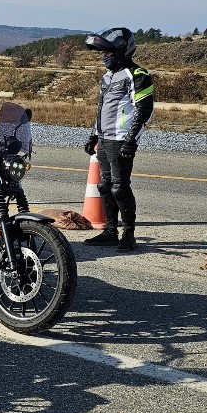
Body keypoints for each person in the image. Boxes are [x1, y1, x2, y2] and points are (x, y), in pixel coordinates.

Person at [83, 27, 154, 251]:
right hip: (104, 139)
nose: (104, 57)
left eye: (109, 53)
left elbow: (145, 109)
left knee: (120, 187)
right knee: (104, 186)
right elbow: (102, 108)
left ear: (122, 51)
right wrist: (94, 134)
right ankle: (110, 231)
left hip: (121, 139)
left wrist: (131, 140)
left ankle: (129, 234)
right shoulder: (107, 77)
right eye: (103, 53)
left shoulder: (138, 75)